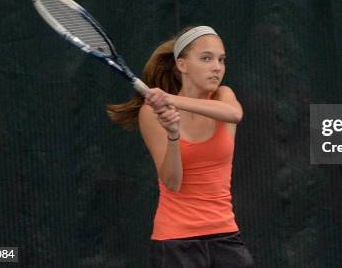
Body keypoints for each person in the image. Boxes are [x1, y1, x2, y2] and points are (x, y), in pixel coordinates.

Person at [107, 26, 254, 268]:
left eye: (221, 59)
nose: (217, 67)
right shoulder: (152, 113)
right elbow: (172, 182)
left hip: (227, 237)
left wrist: (170, 99)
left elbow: (234, 114)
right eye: (206, 58)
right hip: (176, 243)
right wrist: (173, 135)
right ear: (182, 65)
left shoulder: (223, 96)